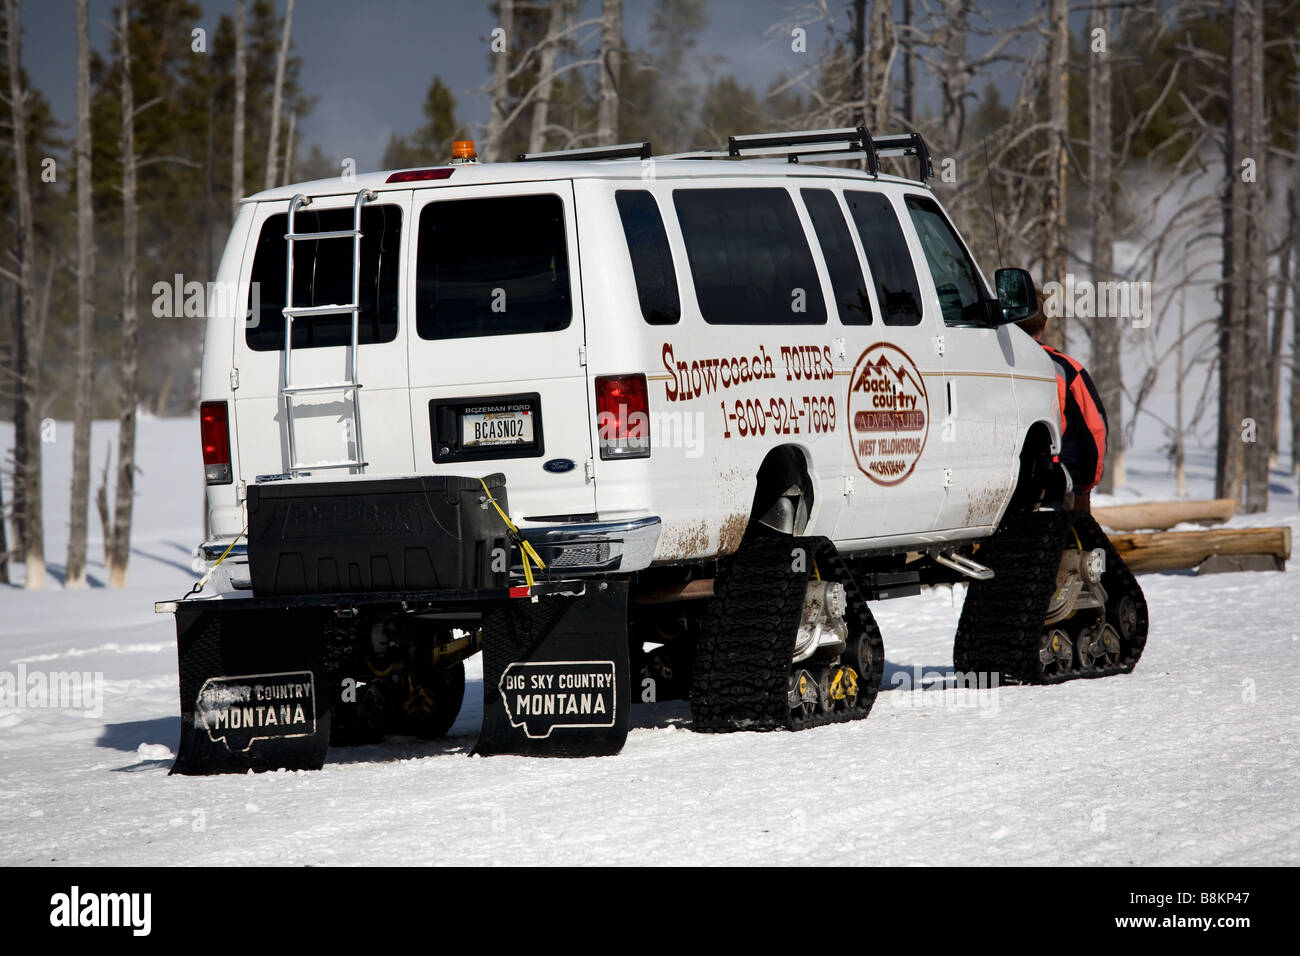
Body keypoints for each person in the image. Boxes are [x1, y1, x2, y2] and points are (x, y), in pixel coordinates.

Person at [1017, 301, 1109, 514]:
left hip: (1005, 482)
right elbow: (1095, 432)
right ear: (1045, 324)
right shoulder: (1067, 369)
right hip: (1059, 482)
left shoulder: (989, 363)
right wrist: (1086, 486)